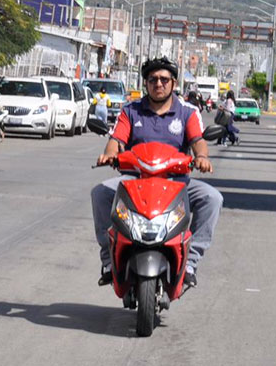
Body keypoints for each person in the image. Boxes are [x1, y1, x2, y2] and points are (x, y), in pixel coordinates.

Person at [91, 57, 223, 290]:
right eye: (153, 80)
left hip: (176, 183)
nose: (158, 84)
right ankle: (109, 261)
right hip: (135, 180)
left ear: (173, 83)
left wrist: (202, 157)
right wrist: (109, 155)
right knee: (100, 193)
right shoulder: (130, 111)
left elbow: (198, 141)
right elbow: (116, 140)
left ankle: (190, 263)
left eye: (164, 79)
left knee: (213, 198)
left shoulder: (187, 112)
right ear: (146, 83)